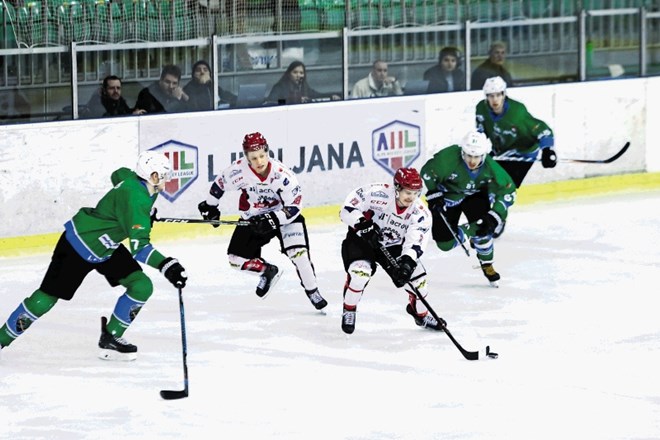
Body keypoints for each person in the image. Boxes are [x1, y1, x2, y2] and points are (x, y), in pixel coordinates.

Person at [0, 151, 188, 361]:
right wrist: (166, 265)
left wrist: (136, 213)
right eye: (164, 174)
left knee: (141, 286)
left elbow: (118, 174)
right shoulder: (137, 200)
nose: (168, 178)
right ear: (153, 176)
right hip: (79, 243)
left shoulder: (136, 182)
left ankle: (112, 337)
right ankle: (1, 339)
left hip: (107, 246)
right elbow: (139, 248)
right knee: (47, 296)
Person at [197, 132, 328, 311]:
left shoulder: (283, 175)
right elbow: (218, 185)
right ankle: (267, 271)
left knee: (300, 255)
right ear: (247, 157)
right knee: (236, 260)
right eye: (254, 158)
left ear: (267, 152)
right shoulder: (238, 171)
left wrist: (273, 219)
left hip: (284, 217)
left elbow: (295, 207)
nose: (259, 161)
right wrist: (210, 207)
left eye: (262, 156)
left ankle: (313, 291)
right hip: (254, 218)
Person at [338, 167, 445, 334]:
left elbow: (415, 241)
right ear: (397, 189)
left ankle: (421, 315)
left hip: (393, 245)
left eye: (415, 193)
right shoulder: (377, 193)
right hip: (362, 240)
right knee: (360, 274)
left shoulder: (420, 213)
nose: (411, 197)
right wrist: (363, 225)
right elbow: (347, 209)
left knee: (419, 282)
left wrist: (407, 262)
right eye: (407, 192)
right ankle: (349, 309)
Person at [420, 131, 516, 287]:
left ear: (483, 155)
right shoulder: (449, 158)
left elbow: (508, 193)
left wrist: (494, 216)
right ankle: (474, 229)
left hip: (475, 197)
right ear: (462, 152)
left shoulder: (492, 168)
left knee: (485, 229)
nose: (472, 161)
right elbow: (427, 173)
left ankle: (487, 264)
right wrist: (434, 193)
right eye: (468, 156)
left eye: (476, 157)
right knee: (444, 244)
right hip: (448, 197)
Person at [476, 75, 557, 189]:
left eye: (498, 95)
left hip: (523, 153)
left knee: (506, 185)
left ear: (504, 94)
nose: (495, 99)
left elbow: (543, 129)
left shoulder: (517, 112)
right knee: (483, 179)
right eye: (491, 96)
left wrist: (547, 151)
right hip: (502, 153)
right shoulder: (481, 108)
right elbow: (481, 132)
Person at [266, 61, 341, 105]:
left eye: (301, 73)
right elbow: (271, 101)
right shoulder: (279, 87)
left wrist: (331, 96)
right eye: (295, 72)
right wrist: (292, 100)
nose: (298, 75)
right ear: (289, 73)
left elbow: (317, 95)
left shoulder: (304, 87)